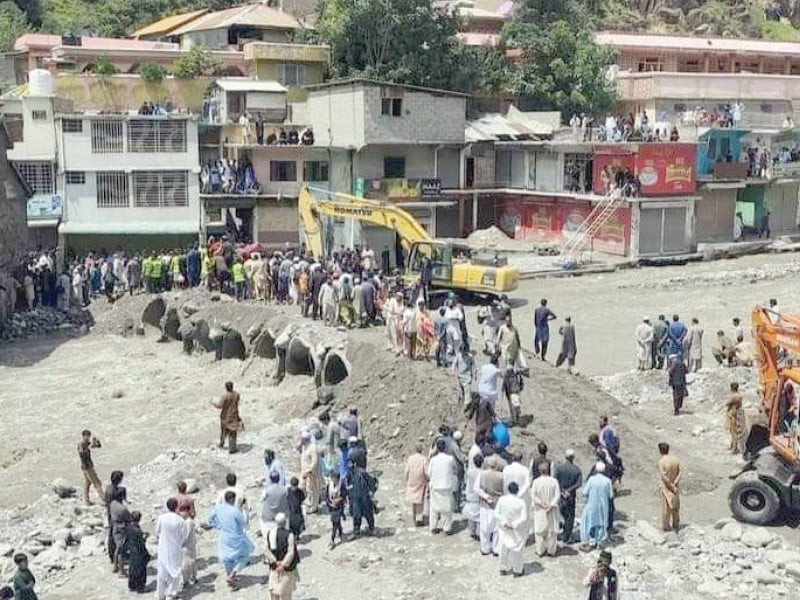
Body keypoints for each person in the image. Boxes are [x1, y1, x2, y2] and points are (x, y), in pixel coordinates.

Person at [208, 491, 255, 590]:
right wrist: (246, 512)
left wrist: (218, 526)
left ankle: (231, 581)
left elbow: (209, 520)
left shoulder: (218, 508)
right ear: (233, 499)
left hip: (223, 536)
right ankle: (232, 575)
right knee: (244, 555)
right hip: (235, 537)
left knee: (227, 558)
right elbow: (244, 523)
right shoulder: (235, 511)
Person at [155, 498, 188, 600]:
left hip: (163, 548)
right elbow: (184, 536)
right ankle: (171, 593)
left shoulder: (162, 518)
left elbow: (157, 531)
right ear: (176, 506)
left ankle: (160, 594)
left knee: (161, 572)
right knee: (174, 571)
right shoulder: (181, 521)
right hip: (175, 549)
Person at [494, 481, 527, 577]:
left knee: (503, 549)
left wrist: (505, 522)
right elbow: (524, 517)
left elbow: (496, 513)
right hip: (516, 529)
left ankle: (503, 568)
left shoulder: (502, 499)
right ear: (517, 490)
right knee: (517, 550)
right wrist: (514, 524)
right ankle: (517, 570)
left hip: (504, 528)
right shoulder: (521, 502)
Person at [264, 513, 300, 600]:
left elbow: (266, 550)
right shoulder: (289, 535)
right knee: (286, 594)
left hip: (274, 568)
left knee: (274, 593)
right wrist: (283, 564)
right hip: (286, 570)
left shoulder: (270, 533)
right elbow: (291, 552)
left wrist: (275, 561)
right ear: (285, 522)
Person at [580, 462, 613, 550]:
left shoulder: (591, 479)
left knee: (591, 522)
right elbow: (611, 495)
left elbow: (585, 492)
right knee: (601, 523)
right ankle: (599, 541)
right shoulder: (607, 481)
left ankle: (591, 541)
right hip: (603, 506)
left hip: (592, 504)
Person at [476, 454, 504, 555]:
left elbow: (477, 488)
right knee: (497, 528)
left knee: (484, 527)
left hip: (485, 503)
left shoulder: (482, 474)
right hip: (497, 503)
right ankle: (496, 549)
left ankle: (485, 548)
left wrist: (486, 497)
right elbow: (504, 491)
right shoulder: (501, 476)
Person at [427, 438, 457, 534]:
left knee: (434, 508)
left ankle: (433, 526)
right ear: (445, 447)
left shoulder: (433, 460)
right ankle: (447, 528)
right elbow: (454, 469)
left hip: (435, 487)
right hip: (447, 486)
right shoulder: (450, 459)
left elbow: (429, 473)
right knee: (447, 508)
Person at [531, 461, 561, 556]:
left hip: (540, 509)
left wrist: (541, 504)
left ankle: (540, 550)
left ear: (540, 471)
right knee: (552, 531)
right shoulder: (554, 481)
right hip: (551, 510)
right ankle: (551, 550)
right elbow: (557, 495)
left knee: (539, 531)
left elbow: (533, 495)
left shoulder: (536, 482)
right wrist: (551, 505)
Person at [554, 449, 582, 543]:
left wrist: (562, 490)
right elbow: (579, 483)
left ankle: (559, 534)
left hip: (560, 496)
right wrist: (569, 490)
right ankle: (566, 537)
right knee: (570, 517)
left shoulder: (559, 468)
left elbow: (555, 480)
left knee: (560, 514)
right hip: (571, 496)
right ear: (573, 457)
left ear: (565, 457)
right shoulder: (577, 469)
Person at [175, 481, 197, 586]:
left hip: (177, 524)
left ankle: (184, 579)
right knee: (191, 553)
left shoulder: (174, 499)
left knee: (181, 555)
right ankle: (193, 576)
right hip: (187, 522)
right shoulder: (189, 499)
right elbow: (193, 514)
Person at [121, 511, 149, 593]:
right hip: (139, 552)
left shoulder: (129, 527)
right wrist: (145, 538)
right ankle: (140, 587)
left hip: (132, 551)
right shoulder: (137, 530)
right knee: (141, 570)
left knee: (132, 569)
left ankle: (132, 585)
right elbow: (140, 543)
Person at [104, 470, 126, 570]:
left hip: (110, 513)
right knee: (119, 537)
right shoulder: (120, 490)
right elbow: (122, 501)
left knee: (111, 535)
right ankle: (118, 558)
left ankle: (112, 556)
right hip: (117, 515)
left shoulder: (108, 489)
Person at [657, 442, 681, 532]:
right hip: (676, 487)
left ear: (660, 451)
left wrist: (670, 485)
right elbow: (680, 472)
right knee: (676, 505)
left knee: (666, 507)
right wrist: (675, 483)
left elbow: (663, 476)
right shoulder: (676, 459)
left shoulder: (661, 461)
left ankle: (666, 526)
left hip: (666, 487)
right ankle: (676, 524)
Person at [347, 461, 375, 536]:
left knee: (368, 513)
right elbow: (349, 484)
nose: (349, 465)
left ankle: (371, 528)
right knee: (356, 515)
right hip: (355, 497)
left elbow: (371, 481)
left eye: (350, 463)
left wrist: (372, 492)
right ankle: (356, 531)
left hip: (364, 497)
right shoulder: (350, 473)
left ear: (354, 463)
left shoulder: (361, 472)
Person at [214, 381, 242, 453]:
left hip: (225, 416)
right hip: (234, 415)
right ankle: (232, 448)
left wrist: (213, 403)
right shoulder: (237, 394)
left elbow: (219, 406)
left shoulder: (225, 396)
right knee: (233, 432)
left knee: (223, 431)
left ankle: (221, 444)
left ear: (226, 388)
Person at [78, 429, 104, 505]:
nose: (87, 438)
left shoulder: (87, 443)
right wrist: (89, 447)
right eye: (86, 436)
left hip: (88, 466)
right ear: (83, 436)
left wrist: (97, 443)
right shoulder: (81, 445)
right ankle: (104, 498)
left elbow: (98, 446)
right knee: (97, 482)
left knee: (87, 483)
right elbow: (82, 453)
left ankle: (86, 500)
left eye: (88, 436)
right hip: (86, 467)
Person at [404, 445, 429, 526]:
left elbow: (407, 471)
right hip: (420, 482)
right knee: (420, 501)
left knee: (413, 501)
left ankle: (413, 518)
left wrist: (407, 479)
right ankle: (419, 519)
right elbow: (426, 472)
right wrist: (428, 479)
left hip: (412, 481)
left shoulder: (410, 458)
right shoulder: (423, 459)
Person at [260, 471, 289, 539]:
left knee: (262, 518)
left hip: (269, 516)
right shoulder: (284, 489)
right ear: (279, 478)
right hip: (281, 515)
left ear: (270, 479)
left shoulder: (267, 490)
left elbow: (261, 500)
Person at [109, 488, 131, 575]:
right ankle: (122, 571)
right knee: (121, 550)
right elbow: (129, 518)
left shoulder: (112, 503)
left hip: (115, 526)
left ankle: (115, 566)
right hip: (121, 528)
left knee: (117, 549)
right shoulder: (123, 509)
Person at [325, 472, 348, 548]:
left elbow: (344, 495)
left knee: (335, 523)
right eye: (333, 479)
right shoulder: (329, 485)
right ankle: (340, 531)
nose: (334, 481)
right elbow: (326, 496)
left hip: (339, 507)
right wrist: (330, 503)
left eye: (335, 479)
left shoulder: (341, 486)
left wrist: (339, 499)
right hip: (332, 506)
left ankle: (332, 539)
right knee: (336, 521)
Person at [299, 433, 320, 514]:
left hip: (311, 474)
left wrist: (309, 471)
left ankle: (314, 507)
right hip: (304, 472)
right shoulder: (304, 447)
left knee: (313, 490)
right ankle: (308, 502)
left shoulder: (312, 448)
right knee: (305, 488)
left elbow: (314, 462)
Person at [464, 453, 483, 540]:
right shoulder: (483, 473)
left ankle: (472, 532)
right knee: (479, 518)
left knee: (470, 517)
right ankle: (479, 533)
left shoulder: (469, 472)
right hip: (479, 497)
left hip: (470, 496)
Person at [726, 382, 746, 454]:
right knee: (734, 431)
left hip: (733, 414)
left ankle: (734, 448)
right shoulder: (740, 395)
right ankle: (732, 446)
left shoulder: (733, 396)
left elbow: (727, 403)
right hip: (738, 413)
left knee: (733, 431)